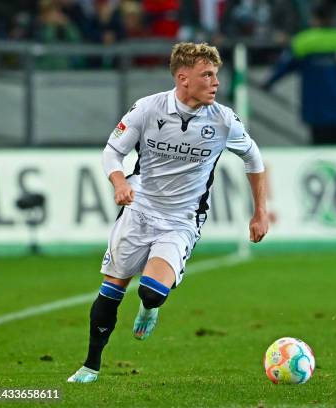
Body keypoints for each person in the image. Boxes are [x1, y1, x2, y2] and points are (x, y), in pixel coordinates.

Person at [67, 42, 269, 383]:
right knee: (112, 290)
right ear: (183, 78)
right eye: (207, 75)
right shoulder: (148, 109)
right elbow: (112, 152)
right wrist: (119, 182)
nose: (215, 82)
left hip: (181, 220)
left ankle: (149, 309)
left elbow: (254, 158)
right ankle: (90, 365)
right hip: (139, 209)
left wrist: (260, 211)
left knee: (151, 291)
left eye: (216, 75)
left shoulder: (223, 120)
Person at [262, 1, 336, 145]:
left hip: (316, 111)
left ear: (316, 19)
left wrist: (268, 83)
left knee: (320, 155)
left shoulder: (303, 42)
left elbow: (282, 69)